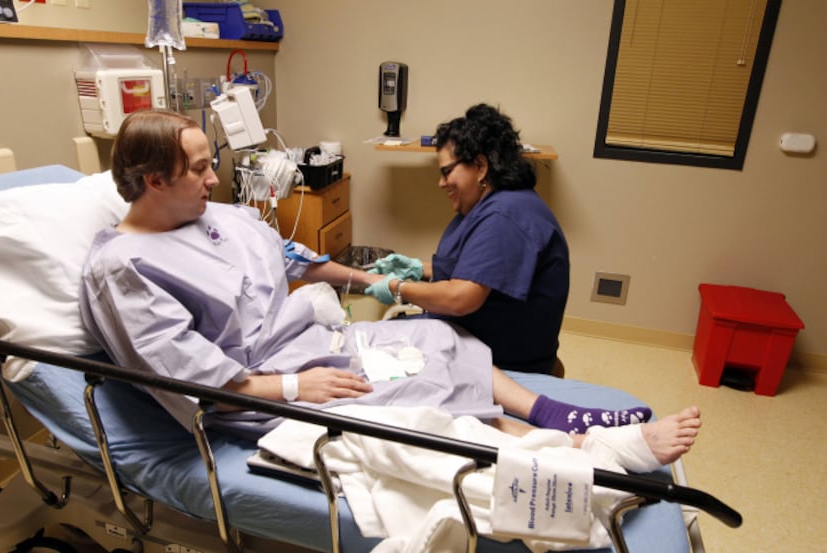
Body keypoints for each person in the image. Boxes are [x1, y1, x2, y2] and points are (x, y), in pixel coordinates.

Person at [79, 109, 697, 466]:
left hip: (305, 343)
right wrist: (298, 385)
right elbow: (186, 377)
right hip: (263, 387)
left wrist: (370, 279)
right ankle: (576, 453)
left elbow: (299, 262)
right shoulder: (124, 269)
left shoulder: (224, 218)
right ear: (154, 180)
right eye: (200, 168)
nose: (217, 179)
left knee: (431, 338)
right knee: (413, 388)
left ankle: (558, 430)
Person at [366, 104, 569, 376]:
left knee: (370, 349)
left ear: (481, 166)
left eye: (447, 171)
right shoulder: (497, 204)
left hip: (505, 360)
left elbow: (460, 298)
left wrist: (397, 287)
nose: (441, 183)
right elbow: (478, 269)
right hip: (486, 337)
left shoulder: (505, 216)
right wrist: (419, 268)